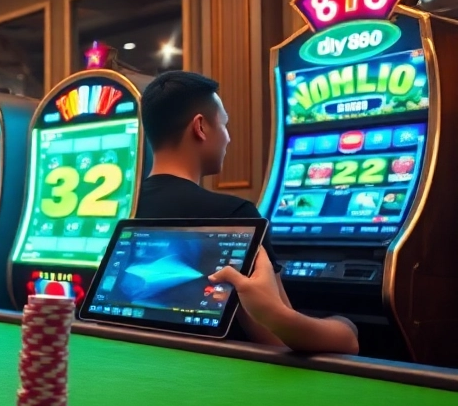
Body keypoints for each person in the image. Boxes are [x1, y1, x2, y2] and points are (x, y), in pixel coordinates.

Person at [135, 70, 358, 354]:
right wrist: (346, 329)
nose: (228, 138)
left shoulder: (121, 208)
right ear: (200, 127)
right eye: (224, 124)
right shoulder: (233, 215)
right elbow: (279, 338)